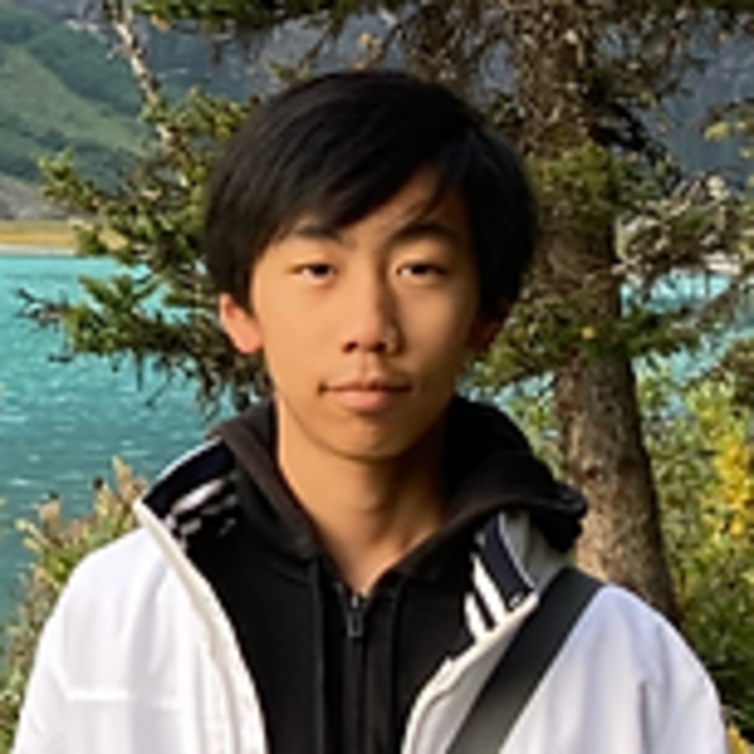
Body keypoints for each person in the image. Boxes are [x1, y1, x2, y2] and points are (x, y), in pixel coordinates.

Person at [13, 69, 728, 754]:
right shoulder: (117, 620)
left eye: (419, 270)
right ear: (239, 312)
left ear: (488, 316)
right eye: (318, 270)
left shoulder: (622, 666)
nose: (369, 326)